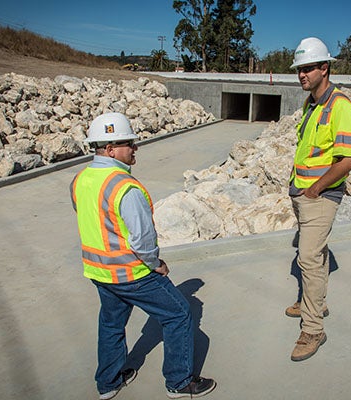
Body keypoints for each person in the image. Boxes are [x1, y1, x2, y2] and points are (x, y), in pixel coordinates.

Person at [70, 112, 216, 399]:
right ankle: (179, 381)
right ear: (111, 149)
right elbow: (142, 239)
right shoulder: (126, 187)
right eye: (130, 143)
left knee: (111, 325)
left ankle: (109, 383)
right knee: (178, 315)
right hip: (132, 273)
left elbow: (89, 215)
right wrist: (156, 264)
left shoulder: (81, 178)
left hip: (99, 273)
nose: (136, 148)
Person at [285, 37, 351, 362]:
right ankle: (315, 300)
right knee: (315, 253)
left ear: (324, 68)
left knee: (307, 257)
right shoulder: (311, 104)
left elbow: (349, 159)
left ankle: (313, 328)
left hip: (321, 195)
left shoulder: (340, 106)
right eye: (299, 69)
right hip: (302, 193)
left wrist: (315, 189)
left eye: (307, 68)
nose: (302, 75)